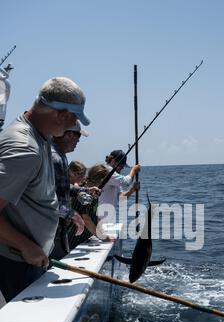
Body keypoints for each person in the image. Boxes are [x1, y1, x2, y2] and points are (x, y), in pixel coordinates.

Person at [0, 76, 90, 302]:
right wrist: (26, 246)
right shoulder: (25, 148)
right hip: (17, 261)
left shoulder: (41, 138)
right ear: (60, 114)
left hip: (28, 259)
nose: (73, 126)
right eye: (74, 119)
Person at [51, 121, 88, 260]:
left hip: (57, 230)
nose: (78, 140)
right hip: (50, 233)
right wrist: (71, 214)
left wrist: (83, 190)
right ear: (69, 135)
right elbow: (47, 196)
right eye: (78, 135)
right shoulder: (55, 157)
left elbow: (61, 187)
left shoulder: (59, 155)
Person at [96, 150, 140, 239]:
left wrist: (132, 190)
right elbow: (126, 182)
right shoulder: (107, 171)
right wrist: (133, 171)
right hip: (98, 222)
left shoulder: (114, 176)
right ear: (113, 161)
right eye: (121, 165)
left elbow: (121, 197)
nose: (122, 168)